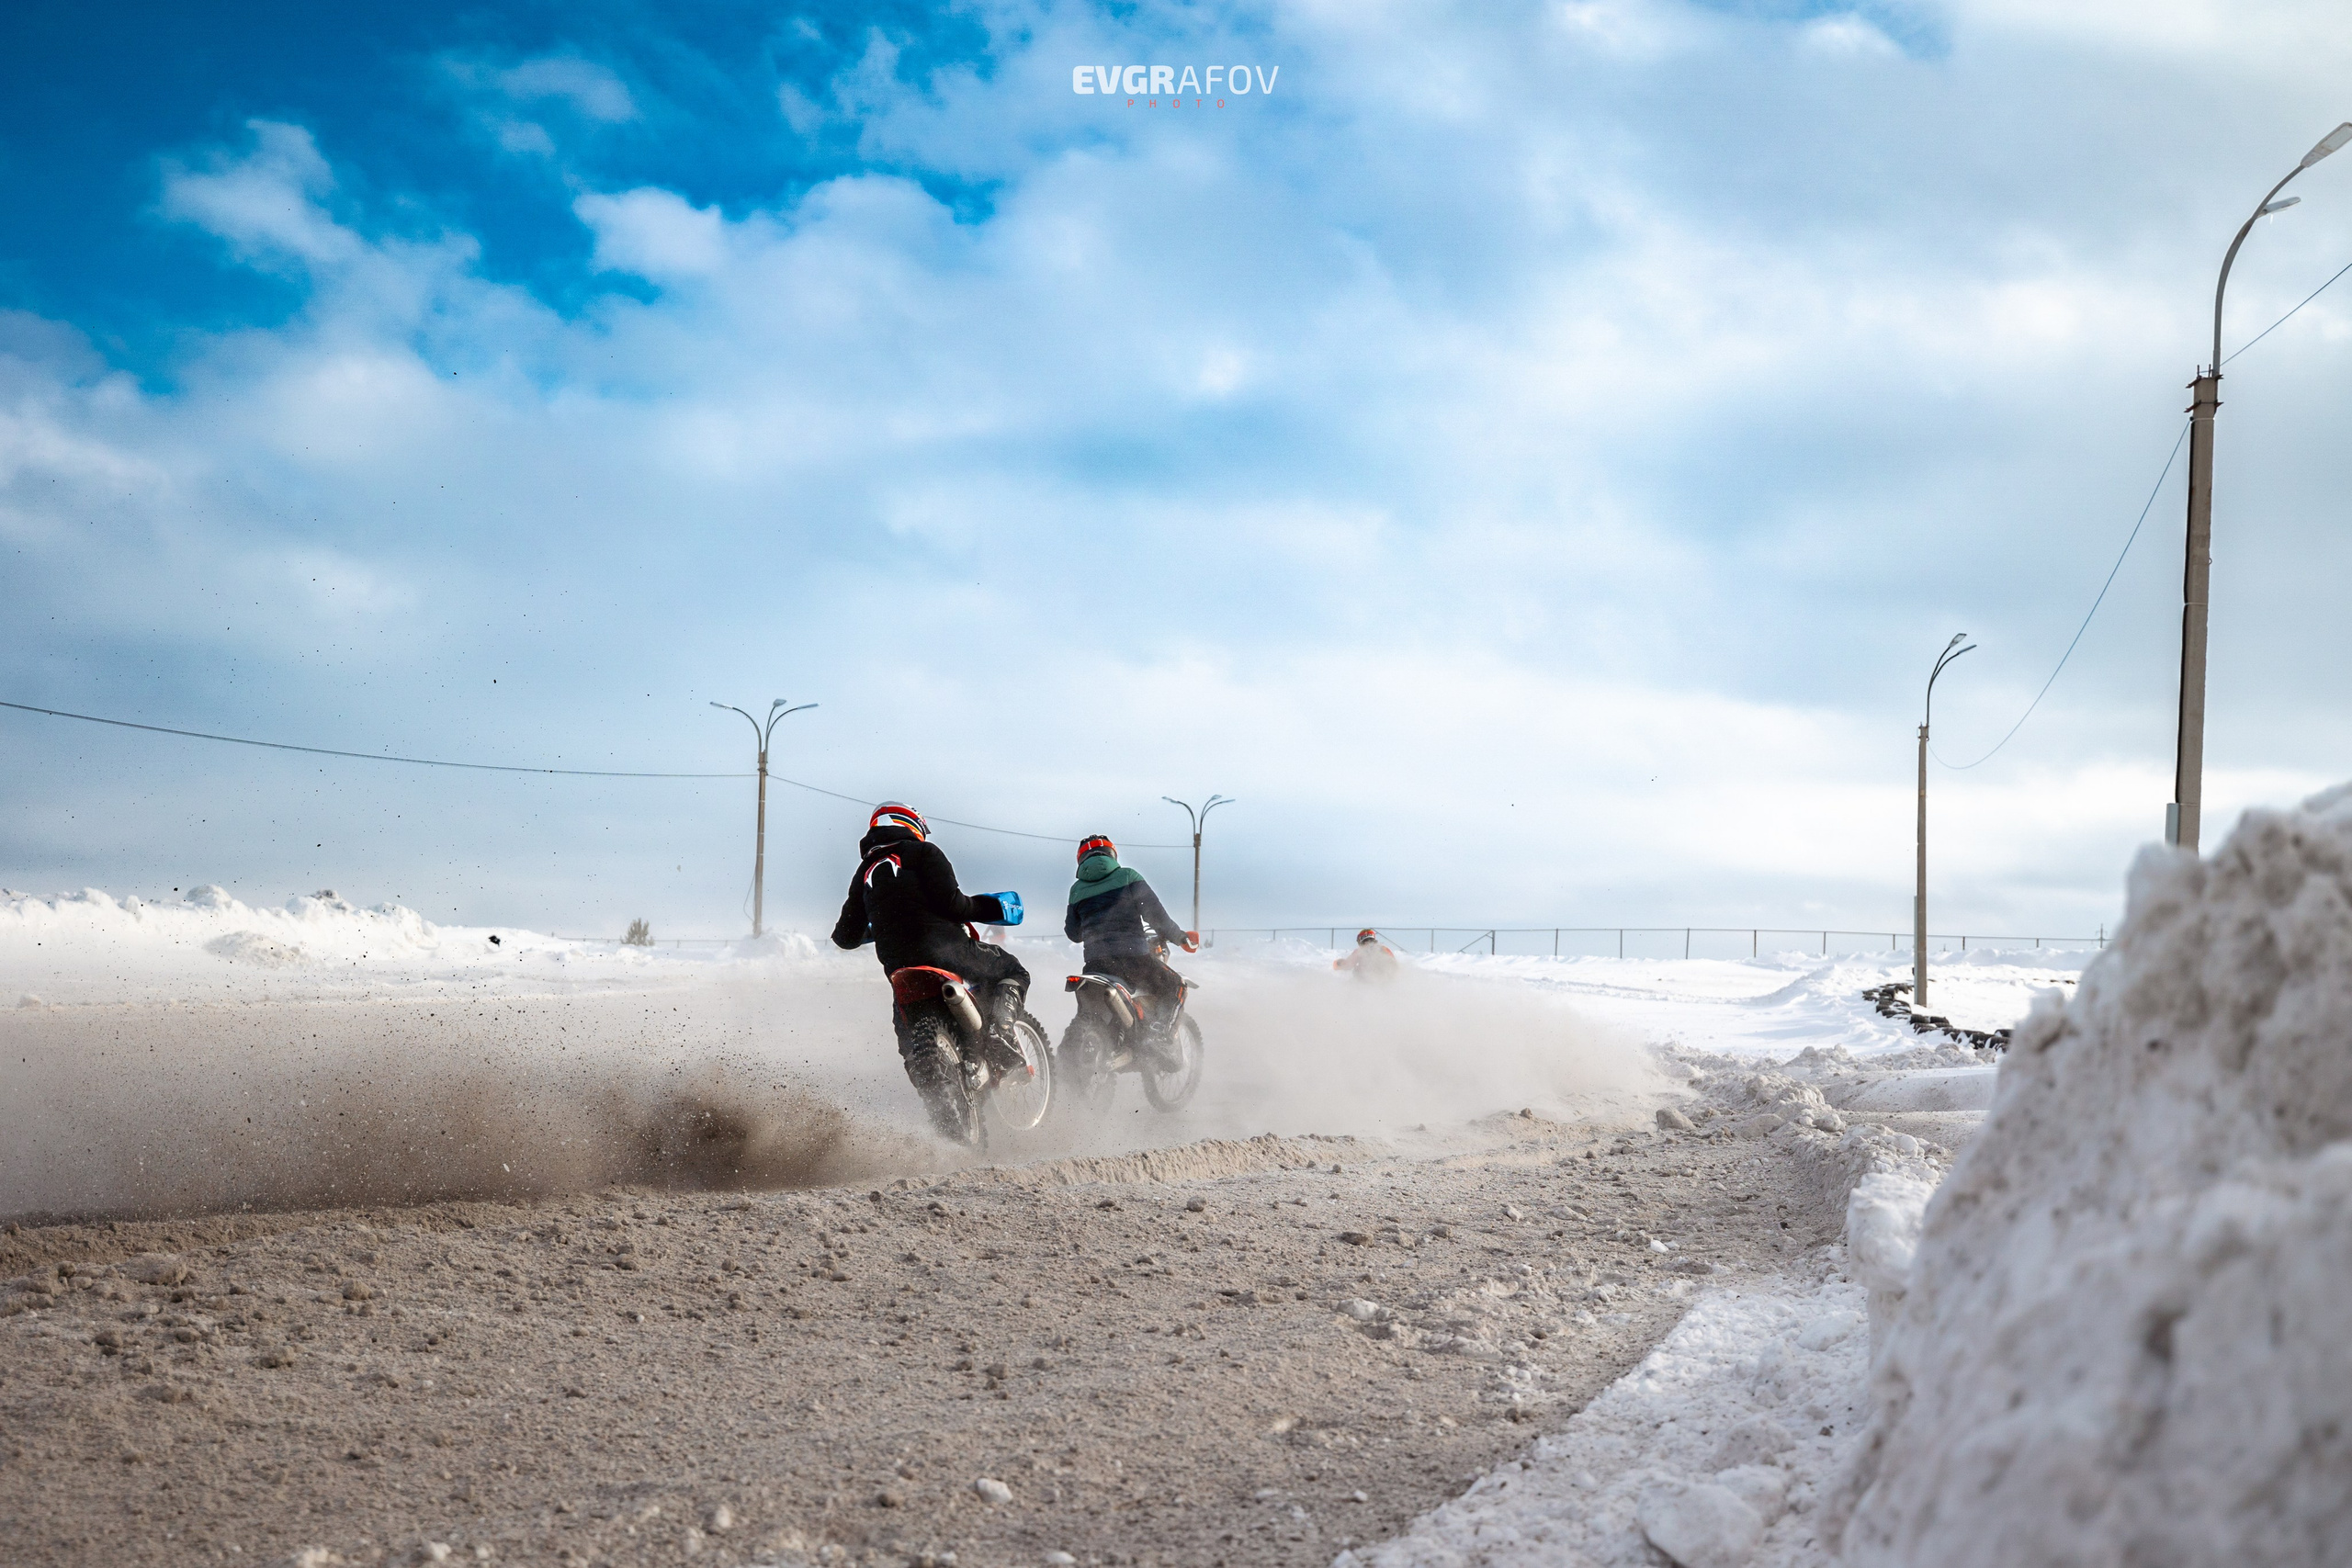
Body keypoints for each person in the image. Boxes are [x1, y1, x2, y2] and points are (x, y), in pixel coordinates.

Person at [831, 802, 1031, 1092]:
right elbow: (953, 905)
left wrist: (882, 924)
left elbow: (845, 937)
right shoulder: (925, 852)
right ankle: (1000, 1033)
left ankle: (934, 1097)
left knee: (912, 1046)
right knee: (1013, 971)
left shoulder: (864, 872)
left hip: (900, 967)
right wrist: (988, 907)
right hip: (946, 950)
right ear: (911, 823)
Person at [1064, 833, 1195, 1034]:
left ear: (1081, 860)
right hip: (1133, 960)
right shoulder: (1128, 877)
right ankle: (1160, 1038)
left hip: (1095, 965)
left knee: (1090, 1012)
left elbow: (1074, 934)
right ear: (1111, 854)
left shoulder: (1076, 890)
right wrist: (1181, 938)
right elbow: (1157, 918)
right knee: (1176, 985)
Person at [1334, 928, 1399, 980]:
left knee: (1356, 971)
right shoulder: (1384, 948)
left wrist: (1339, 963)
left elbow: (1348, 965)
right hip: (1385, 982)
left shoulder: (1360, 951)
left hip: (1365, 982)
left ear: (1361, 939)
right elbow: (1395, 964)